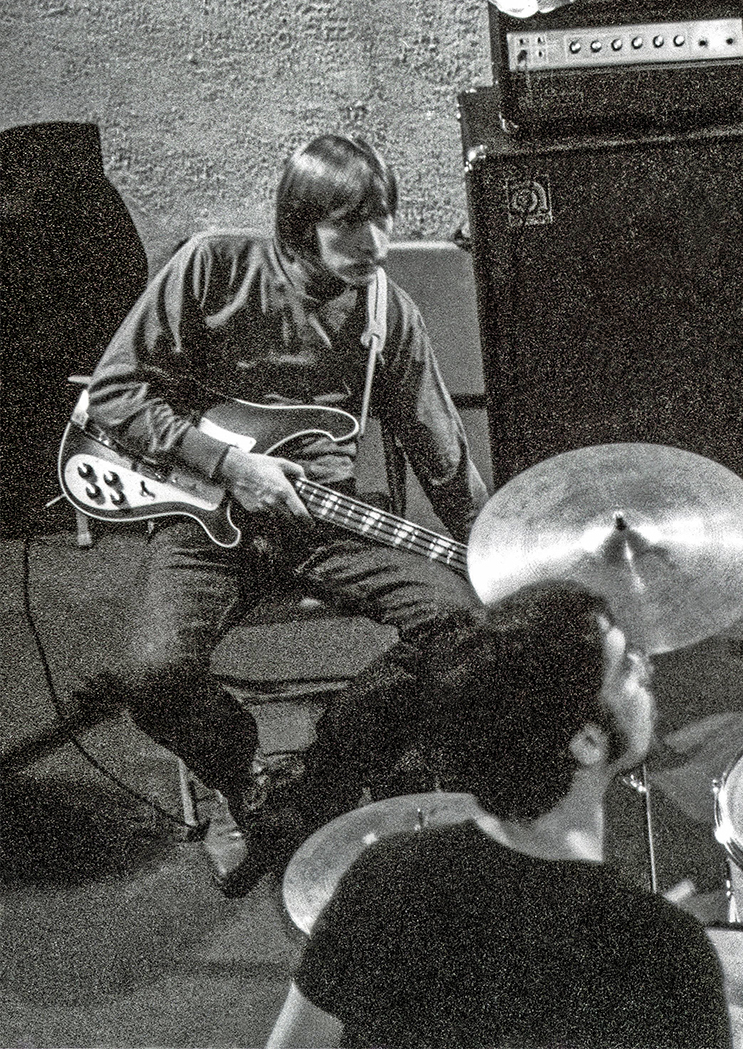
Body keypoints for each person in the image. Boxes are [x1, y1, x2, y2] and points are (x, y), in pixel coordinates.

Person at [79, 133, 488, 895]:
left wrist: (494, 545)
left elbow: (443, 456)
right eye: (348, 224)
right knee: (151, 675)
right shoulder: (213, 267)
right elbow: (114, 393)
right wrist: (231, 465)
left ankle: (330, 769)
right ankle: (241, 780)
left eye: (384, 219)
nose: (374, 244)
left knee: (462, 625)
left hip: (326, 521)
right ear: (301, 224)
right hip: (206, 512)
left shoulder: (386, 316)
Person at [266, 579, 732, 1048]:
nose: (644, 668)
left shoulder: (388, 875)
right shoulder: (667, 950)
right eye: (626, 668)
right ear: (587, 742)